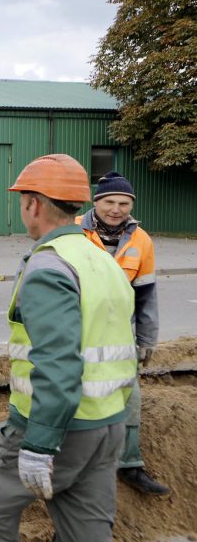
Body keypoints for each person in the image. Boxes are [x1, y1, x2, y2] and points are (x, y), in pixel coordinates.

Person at [0, 154, 137, 542]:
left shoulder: (49, 267)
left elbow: (58, 363)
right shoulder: (102, 261)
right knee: (86, 534)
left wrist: (39, 445)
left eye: (23, 200)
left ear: (33, 204)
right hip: (107, 425)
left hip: (59, 427)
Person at [77, 171, 169, 496]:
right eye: (110, 202)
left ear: (131, 205)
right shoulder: (74, 231)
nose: (116, 209)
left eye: (124, 203)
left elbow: (146, 294)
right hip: (77, 331)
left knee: (129, 398)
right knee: (74, 394)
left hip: (120, 335)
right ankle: (72, 465)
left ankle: (129, 466)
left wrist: (147, 339)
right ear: (96, 202)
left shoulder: (141, 240)